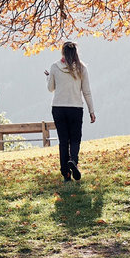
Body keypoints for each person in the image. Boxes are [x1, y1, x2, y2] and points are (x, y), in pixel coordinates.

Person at [46, 41, 96, 181]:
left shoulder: (55, 67)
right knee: (75, 139)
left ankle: (66, 173)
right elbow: (86, 92)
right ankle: (73, 160)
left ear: (62, 52)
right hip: (75, 108)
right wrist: (91, 110)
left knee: (63, 141)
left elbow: (50, 88)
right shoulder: (82, 68)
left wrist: (48, 78)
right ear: (76, 53)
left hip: (58, 108)